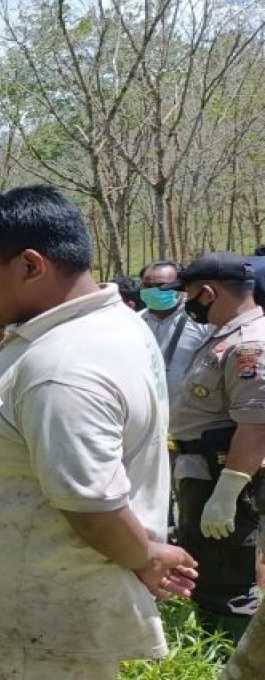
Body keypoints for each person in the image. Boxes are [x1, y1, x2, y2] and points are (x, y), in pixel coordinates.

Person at [0, 185, 196, 679]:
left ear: (31, 265)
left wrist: (147, 556)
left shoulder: (65, 365)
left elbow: (91, 502)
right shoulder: (108, 325)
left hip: (31, 632)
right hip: (26, 617)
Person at [165, 252, 265, 641]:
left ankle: (232, 659)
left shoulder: (249, 345)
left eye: (188, 295)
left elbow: (255, 426)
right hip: (202, 469)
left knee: (229, 580)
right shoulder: (222, 335)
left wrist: (226, 492)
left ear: (207, 292)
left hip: (224, 476)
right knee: (212, 568)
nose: (186, 304)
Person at [139, 261, 212, 397]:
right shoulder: (135, 322)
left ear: (180, 287)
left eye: (162, 286)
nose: (153, 291)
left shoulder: (201, 321)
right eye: (147, 286)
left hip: (189, 408)